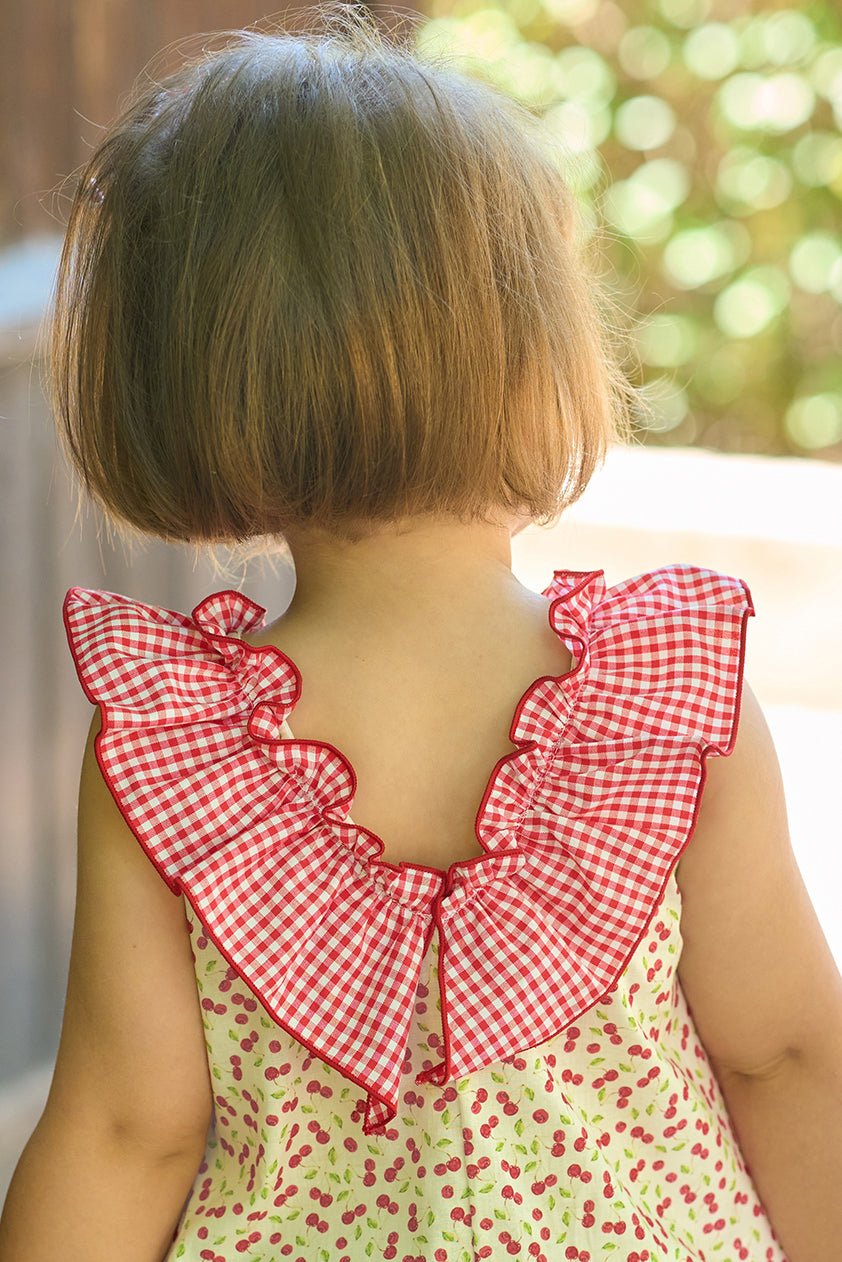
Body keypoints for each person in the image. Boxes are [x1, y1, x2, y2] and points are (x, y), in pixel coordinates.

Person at [1, 6, 839, 1260]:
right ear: (534, 357)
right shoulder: (663, 710)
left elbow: (131, 1128)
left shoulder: (178, 756)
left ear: (176, 381)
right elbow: (784, 1054)